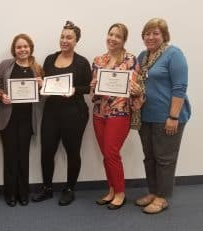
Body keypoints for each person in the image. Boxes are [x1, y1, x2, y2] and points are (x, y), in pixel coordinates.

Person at [32, 21, 92, 206]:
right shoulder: (50, 59)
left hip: (74, 113)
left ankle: (69, 189)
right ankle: (47, 188)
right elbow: (46, 82)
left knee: (73, 152)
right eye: (62, 37)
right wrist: (41, 84)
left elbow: (88, 88)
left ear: (76, 41)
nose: (64, 40)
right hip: (51, 112)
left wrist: (74, 89)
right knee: (47, 151)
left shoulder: (82, 62)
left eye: (69, 38)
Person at [135, 18, 191, 214]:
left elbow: (180, 87)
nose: (151, 37)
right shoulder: (143, 56)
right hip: (145, 116)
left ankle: (162, 197)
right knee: (149, 158)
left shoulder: (174, 54)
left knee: (165, 159)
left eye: (155, 33)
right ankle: (153, 192)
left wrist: (173, 117)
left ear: (164, 35)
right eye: (147, 33)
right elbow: (137, 84)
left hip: (168, 117)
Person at [90, 23, 144, 210]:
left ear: (124, 40)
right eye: (110, 34)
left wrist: (137, 91)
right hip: (99, 113)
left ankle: (120, 192)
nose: (112, 38)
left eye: (118, 36)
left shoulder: (131, 60)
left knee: (112, 153)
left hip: (119, 113)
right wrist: (94, 86)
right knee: (106, 154)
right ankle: (111, 190)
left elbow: (135, 92)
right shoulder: (98, 60)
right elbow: (93, 95)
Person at [0, 34, 44, 207]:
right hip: (8, 118)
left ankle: (23, 193)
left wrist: (41, 86)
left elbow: (43, 95)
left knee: (23, 157)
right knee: (10, 157)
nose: (22, 50)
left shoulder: (37, 68)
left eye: (25, 46)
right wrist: (2, 96)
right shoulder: (5, 65)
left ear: (31, 48)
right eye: (19, 47)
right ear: (14, 50)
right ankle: (10, 193)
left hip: (27, 119)